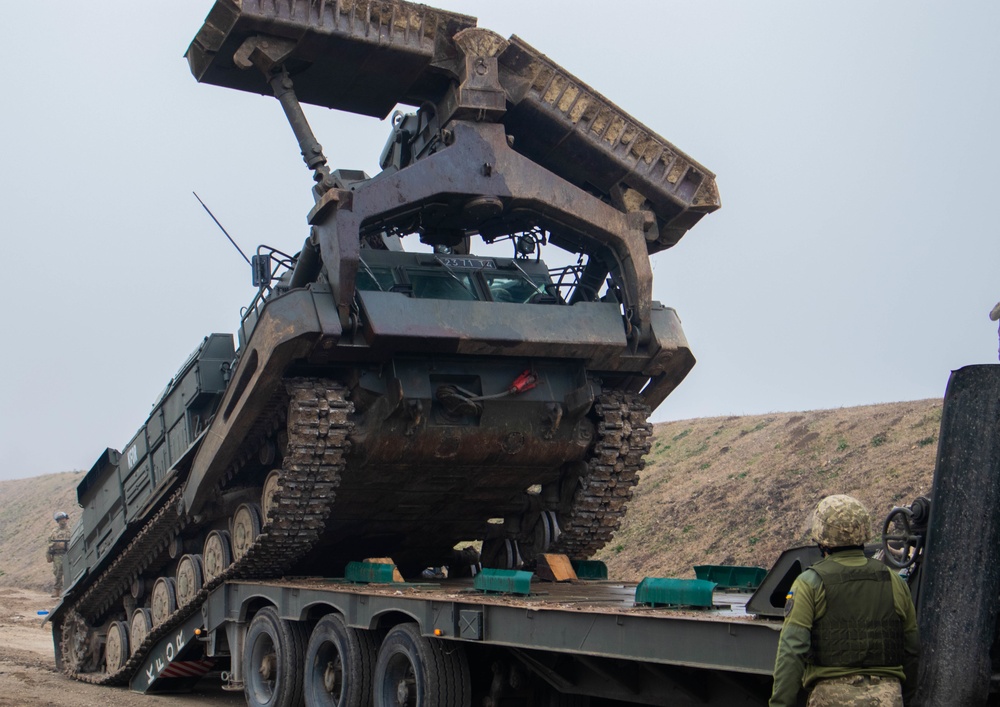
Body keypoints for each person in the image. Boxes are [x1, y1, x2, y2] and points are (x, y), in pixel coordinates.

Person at [769, 494, 920, 706]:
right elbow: (912, 650)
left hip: (832, 698)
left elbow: (792, 650)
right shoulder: (894, 581)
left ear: (821, 537)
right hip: (888, 697)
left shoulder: (809, 583)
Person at [46, 512, 71, 597]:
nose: (62, 521)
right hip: (57, 555)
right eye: (60, 519)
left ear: (66, 519)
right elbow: (49, 544)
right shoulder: (54, 532)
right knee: (57, 573)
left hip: (69, 553)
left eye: (63, 519)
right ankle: (57, 591)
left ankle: (70, 589)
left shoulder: (71, 530)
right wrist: (48, 556)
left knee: (70, 572)